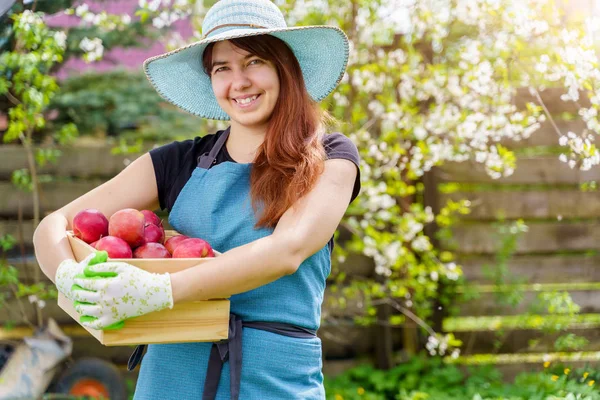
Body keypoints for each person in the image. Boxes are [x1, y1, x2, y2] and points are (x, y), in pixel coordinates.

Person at [33, 0, 361, 398]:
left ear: (283, 68)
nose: (238, 82)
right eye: (222, 68)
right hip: (170, 379)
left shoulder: (330, 157)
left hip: (274, 381)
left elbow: (287, 249)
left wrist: (160, 291)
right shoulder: (178, 162)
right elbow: (52, 226)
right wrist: (68, 277)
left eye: (254, 61)